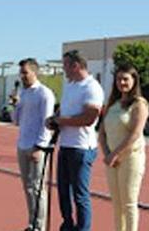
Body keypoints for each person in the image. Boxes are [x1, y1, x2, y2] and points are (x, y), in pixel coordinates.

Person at [49, 50, 104, 231]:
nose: (63, 69)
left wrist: (61, 121)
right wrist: (54, 118)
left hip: (81, 148)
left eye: (65, 65)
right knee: (63, 191)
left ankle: (83, 228)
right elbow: (64, 111)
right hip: (65, 145)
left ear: (75, 66)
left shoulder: (91, 87)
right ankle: (67, 224)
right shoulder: (70, 85)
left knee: (80, 195)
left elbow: (89, 118)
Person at [98, 64, 148, 231]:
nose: (122, 82)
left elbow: (134, 134)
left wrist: (116, 154)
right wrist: (107, 154)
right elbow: (102, 133)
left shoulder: (139, 104)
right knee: (117, 204)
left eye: (126, 79)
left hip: (130, 159)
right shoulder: (112, 104)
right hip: (112, 160)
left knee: (129, 203)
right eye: (119, 79)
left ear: (134, 80)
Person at [11, 58, 56, 231]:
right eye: (21, 73)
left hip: (36, 147)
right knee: (28, 188)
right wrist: (15, 105)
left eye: (25, 72)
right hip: (22, 144)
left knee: (37, 188)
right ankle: (32, 222)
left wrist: (39, 147)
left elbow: (47, 123)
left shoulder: (44, 93)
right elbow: (16, 121)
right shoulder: (24, 93)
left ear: (34, 72)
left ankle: (40, 226)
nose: (22, 76)